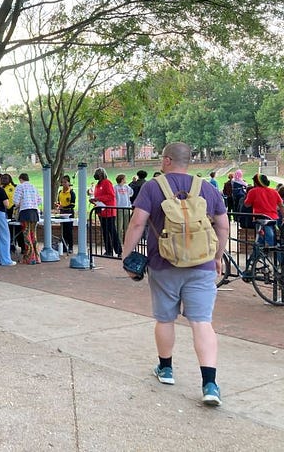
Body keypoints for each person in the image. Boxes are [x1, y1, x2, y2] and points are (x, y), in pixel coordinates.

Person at [121, 142, 228, 407]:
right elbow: (223, 225)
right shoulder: (206, 187)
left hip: (164, 264)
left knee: (165, 319)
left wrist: (127, 255)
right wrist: (217, 256)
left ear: (167, 160)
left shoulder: (152, 187)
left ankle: (166, 369)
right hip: (201, 266)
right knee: (202, 322)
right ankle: (210, 384)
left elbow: (137, 223)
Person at [243, 173, 284, 246]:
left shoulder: (253, 191)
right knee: (265, 239)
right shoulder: (274, 191)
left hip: (261, 219)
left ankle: (275, 256)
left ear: (256, 182)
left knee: (266, 240)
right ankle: (256, 256)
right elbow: (281, 206)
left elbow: (247, 204)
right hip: (274, 219)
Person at [90, 167, 121, 257]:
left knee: (112, 231)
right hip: (101, 211)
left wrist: (98, 199)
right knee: (105, 232)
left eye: (97, 173)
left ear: (101, 174)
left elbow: (111, 196)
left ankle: (119, 251)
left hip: (109, 211)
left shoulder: (107, 182)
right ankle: (108, 250)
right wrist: (94, 200)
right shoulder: (97, 185)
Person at [13, 173, 41, 264]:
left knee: (27, 235)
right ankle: (37, 257)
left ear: (21, 179)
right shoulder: (34, 187)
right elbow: (39, 200)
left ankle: (30, 257)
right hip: (34, 212)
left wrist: (20, 204)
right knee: (34, 235)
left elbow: (16, 201)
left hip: (25, 212)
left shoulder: (20, 187)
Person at [56, 175, 76, 253]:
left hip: (69, 213)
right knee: (63, 230)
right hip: (62, 213)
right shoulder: (60, 192)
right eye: (62, 182)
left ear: (69, 183)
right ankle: (64, 246)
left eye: (65, 182)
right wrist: (57, 205)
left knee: (69, 230)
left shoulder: (71, 192)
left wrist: (63, 207)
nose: (64, 184)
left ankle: (70, 247)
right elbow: (59, 202)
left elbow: (72, 205)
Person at [114, 173, 134, 246]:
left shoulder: (127, 187)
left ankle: (127, 242)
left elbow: (131, 193)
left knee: (127, 226)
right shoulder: (115, 187)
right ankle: (119, 242)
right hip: (119, 208)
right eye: (125, 178)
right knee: (119, 226)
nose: (126, 180)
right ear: (122, 179)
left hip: (127, 208)